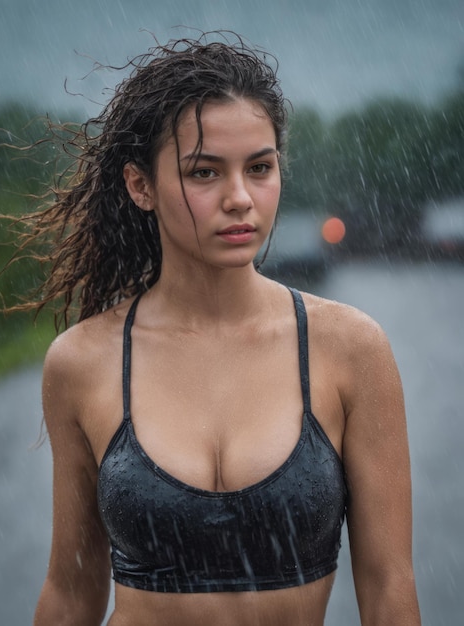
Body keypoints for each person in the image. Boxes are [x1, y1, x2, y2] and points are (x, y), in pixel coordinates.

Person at [27, 32, 421, 625]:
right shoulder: (82, 362)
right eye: (205, 172)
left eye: (259, 167)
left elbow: (389, 583)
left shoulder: (350, 349)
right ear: (140, 186)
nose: (241, 198)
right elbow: (71, 589)